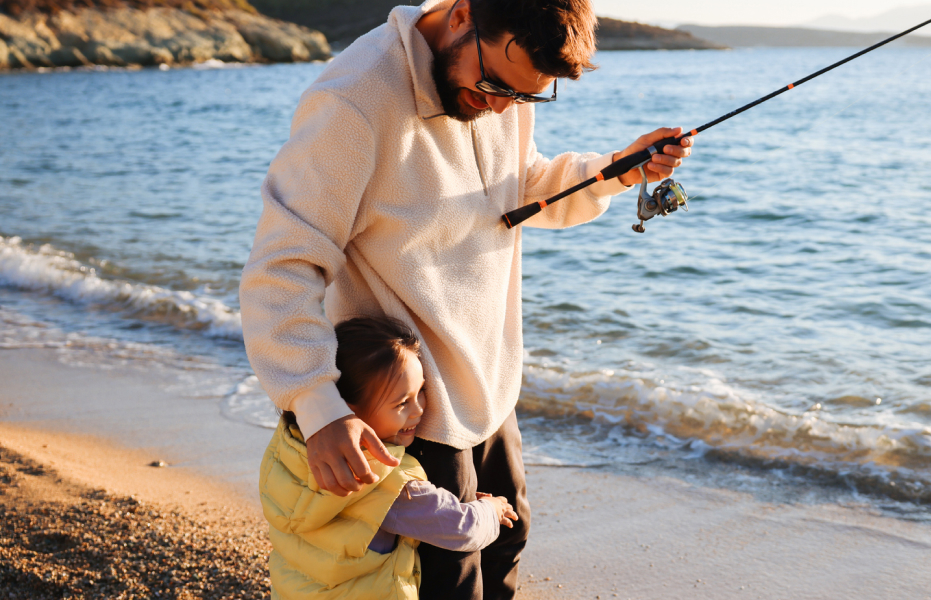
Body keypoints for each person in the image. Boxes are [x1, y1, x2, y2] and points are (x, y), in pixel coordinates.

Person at [238, 0, 692, 597]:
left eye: (526, 97)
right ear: (461, 14)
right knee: (449, 581)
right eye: (496, 86)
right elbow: (283, 262)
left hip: (487, 381)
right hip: (406, 403)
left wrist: (615, 170)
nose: (502, 106)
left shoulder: (494, 80)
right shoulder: (354, 99)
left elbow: (515, 188)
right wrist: (316, 404)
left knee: (507, 540)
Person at [260, 316, 520, 599]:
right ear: (348, 412)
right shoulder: (387, 482)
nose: (419, 409)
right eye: (402, 403)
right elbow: (462, 529)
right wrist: (491, 510)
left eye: (422, 391)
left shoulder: (288, 448)